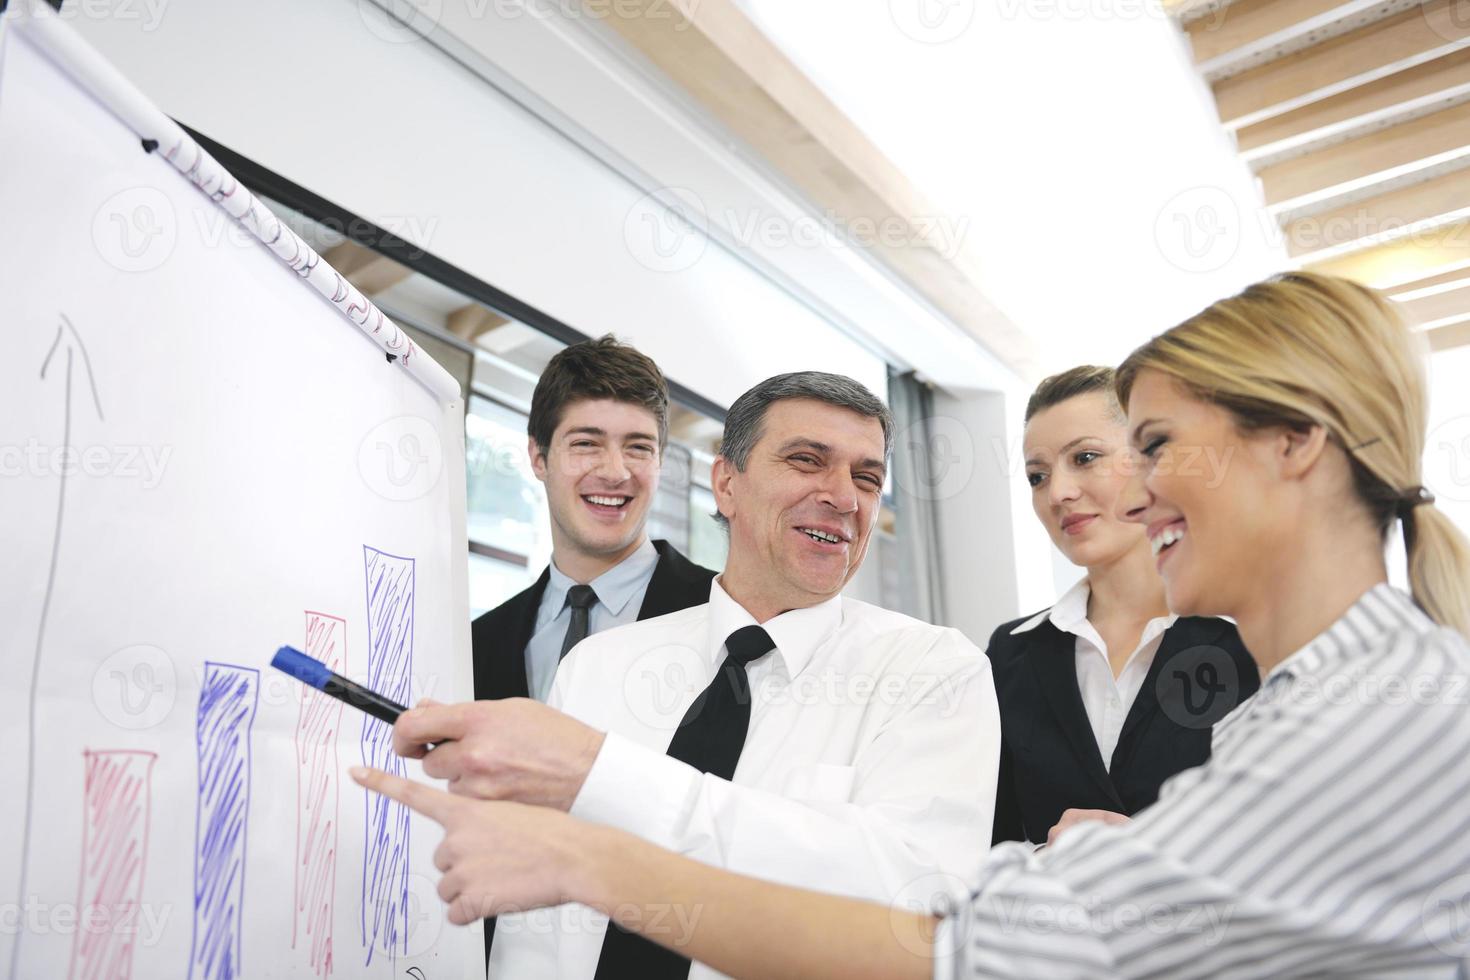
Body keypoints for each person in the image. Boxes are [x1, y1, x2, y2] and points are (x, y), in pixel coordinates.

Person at [356, 271, 1470, 977]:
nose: (1127, 491)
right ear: (727, 483)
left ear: (1296, 443)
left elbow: (945, 937)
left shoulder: (1378, 719)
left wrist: (592, 839)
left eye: (1156, 444)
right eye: (804, 461)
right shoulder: (1329, 708)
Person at [403, 371, 1000, 979]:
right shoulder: (599, 668)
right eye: (806, 460)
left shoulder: (934, 673)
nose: (844, 497)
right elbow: (536, 928)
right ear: (725, 483)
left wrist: (602, 771)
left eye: (867, 478)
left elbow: (916, 905)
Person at [991, 366, 1257, 846]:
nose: (1059, 493)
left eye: (1086, 457)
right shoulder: (1009, 653)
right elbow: (992, 841)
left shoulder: (1253, 637)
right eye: (1037, 476)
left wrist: (1151, 854)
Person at [471, 334, 714, 705]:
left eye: (638, 448)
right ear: (539, 457)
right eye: (586, 443)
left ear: (659, 462)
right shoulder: (479, 642)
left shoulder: (722, 613)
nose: (615, 472)